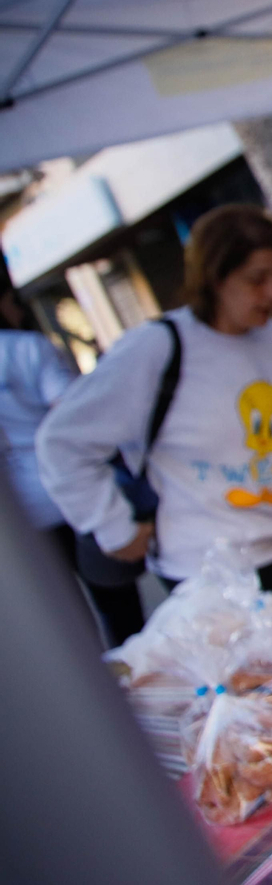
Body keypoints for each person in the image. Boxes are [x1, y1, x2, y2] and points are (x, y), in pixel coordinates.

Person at [38, 205, 272, 596]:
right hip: (214, 570)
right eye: (257, 279)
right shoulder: (155, 348)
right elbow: (62, 442)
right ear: (215, 277)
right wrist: (113, 527)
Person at [0, 271, 146, 645]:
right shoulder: (27, 348)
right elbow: (72, 415)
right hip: (72, 495)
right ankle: (138, 678)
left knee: (64, 624)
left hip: (23, 517)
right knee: (119, 608)